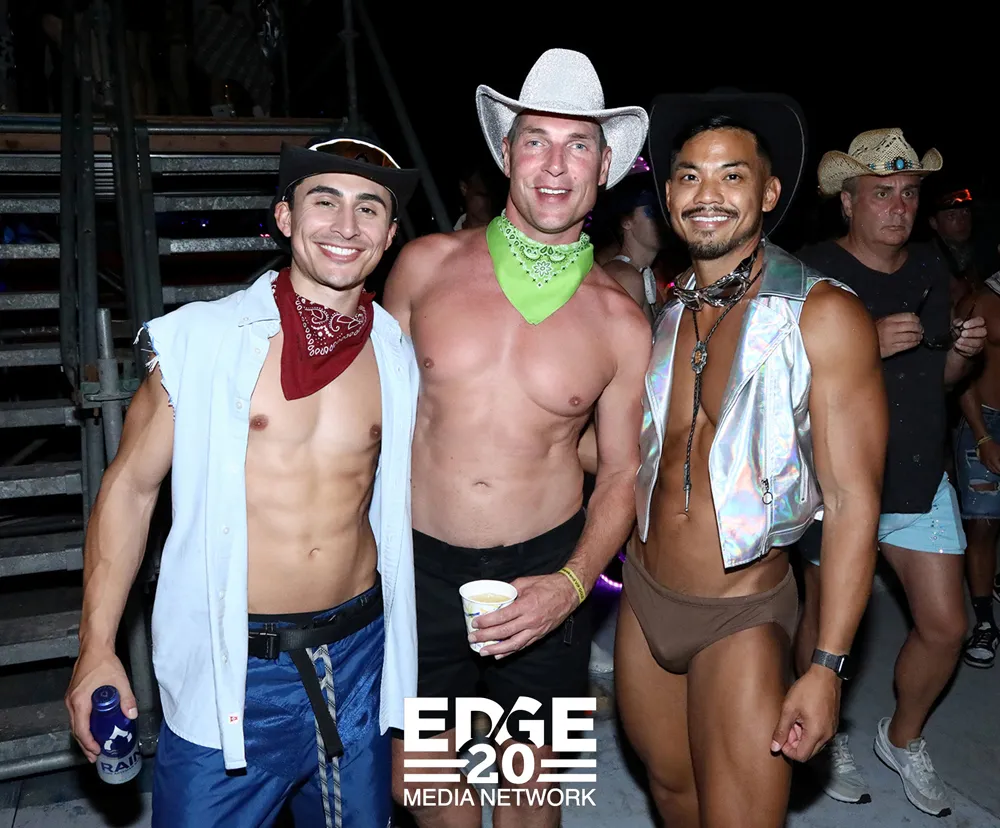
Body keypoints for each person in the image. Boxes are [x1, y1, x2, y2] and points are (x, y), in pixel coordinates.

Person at [63, 135, 421, 828]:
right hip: (235, 669)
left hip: (358, 657)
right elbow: (129, 490)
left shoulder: (394, 350)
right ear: (285, 217)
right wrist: (96, 647)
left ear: (389, 234)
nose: (346, 226)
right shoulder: (201, 341)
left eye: (369, 209)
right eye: (325, 202)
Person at [384, 48, 651, 828]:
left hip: (546, 570)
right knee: (421, 785)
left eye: (578, 145)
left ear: (604, 167)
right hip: (418, 569)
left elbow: (622, 474)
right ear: (507, 153)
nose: (555, 165)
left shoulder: (621, 320)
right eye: (537, 140)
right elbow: (369, 418)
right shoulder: (423, 267)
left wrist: (571, 586)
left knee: (532, 789)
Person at [617, 92, 888, 828]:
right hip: (643, 598)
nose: (706, 194)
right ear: (668, 194)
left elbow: (854, 503)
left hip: (740, 612)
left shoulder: (822, 314)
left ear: (768, 193)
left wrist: (827, 667)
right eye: (688, 176)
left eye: (731, 176)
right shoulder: (666, 311)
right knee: (673, 799)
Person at [795, 128, 987, 817]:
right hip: (835, 481)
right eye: (883, 194)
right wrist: (861, 345)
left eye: (908, 194)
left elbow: (940, 379)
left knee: (947, 626)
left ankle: (901, 738)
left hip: (916, 475)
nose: (900, 207)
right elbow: (778, 381)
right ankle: (822, 731)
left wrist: (963, 352)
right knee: (826, 624)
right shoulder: (811, 272)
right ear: (849, 202)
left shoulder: (929, 266)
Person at [953, 272, 1000, 667]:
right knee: (983, 523)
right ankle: (985, 622)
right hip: (984, 422)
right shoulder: (979, 302)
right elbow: (960, 374)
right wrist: (983, 437)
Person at [597, 168, 664, 324]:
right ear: (626, 222)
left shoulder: (645, 275)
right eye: (652, 211)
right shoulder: (625, 278)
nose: (662, 218)